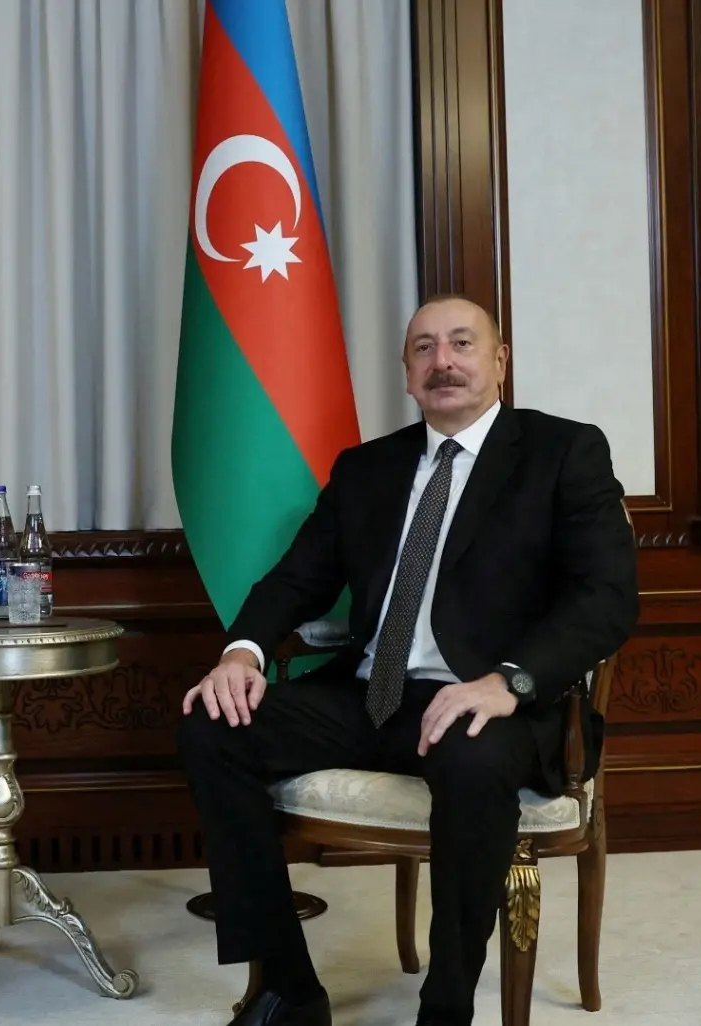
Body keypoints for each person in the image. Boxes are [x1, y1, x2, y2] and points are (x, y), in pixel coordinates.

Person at [176, 294, 639, 1026]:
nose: (442, 361)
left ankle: (445, 1007)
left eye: (461, 343)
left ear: (500, 361)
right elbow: (298, 578)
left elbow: (606, 599)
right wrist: (242, 652)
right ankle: (288, 989)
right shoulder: (368, 467)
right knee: (212, 725)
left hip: (491, 702)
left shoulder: (563, 453)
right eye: (424, 348)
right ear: (406, 371)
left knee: (473, 760)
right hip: (371, 694)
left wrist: (509, 681)